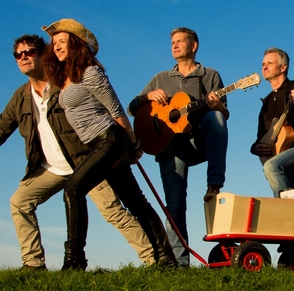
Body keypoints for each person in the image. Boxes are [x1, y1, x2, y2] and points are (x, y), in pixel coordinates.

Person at [4, 34, 157, 270]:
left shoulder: (64, 83)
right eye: (18, 54)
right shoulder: (20, 97)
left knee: (112, 211)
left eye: (29, 52)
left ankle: (153, 258)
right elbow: (2, 127)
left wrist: (128, 144)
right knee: (19, 201)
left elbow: (105, 111)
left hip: (85, 159)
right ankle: (33, 263)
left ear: (42, 55)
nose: (23, 57)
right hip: (50, 167)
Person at [41, 18, 177, 270]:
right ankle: (167, 260)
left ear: (76, 44)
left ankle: (74, 260)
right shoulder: (65, 78)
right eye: (54, 43)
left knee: (73, 188)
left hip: (110, 139)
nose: (56, 47)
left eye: (62, 41)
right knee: (136, 202)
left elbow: (116, 111)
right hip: (97, 144)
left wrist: (134, 145)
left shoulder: (91, 73)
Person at [128, 27, 229, 267]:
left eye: (180, 41)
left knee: (216, 118)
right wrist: (148, 97)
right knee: (174, 204)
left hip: (198, 142)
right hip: (170, 147)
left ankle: (214, 183)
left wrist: (215, 106)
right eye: (172, 41)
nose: (174, 45)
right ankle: (179, 263)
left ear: (194, 46)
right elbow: (133, 107)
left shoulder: (210, 75)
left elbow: (225, 113)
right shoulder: (161, 78)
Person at [251, 48, 294, 198]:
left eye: (270, 63)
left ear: (283, 67)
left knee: (272, 166)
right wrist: (256, 147)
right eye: (263, 63)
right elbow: (261, 136)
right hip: (282, 155)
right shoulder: (266, 103)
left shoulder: (293, 87)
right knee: (271, 166)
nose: (264, 66)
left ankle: (286, 210)